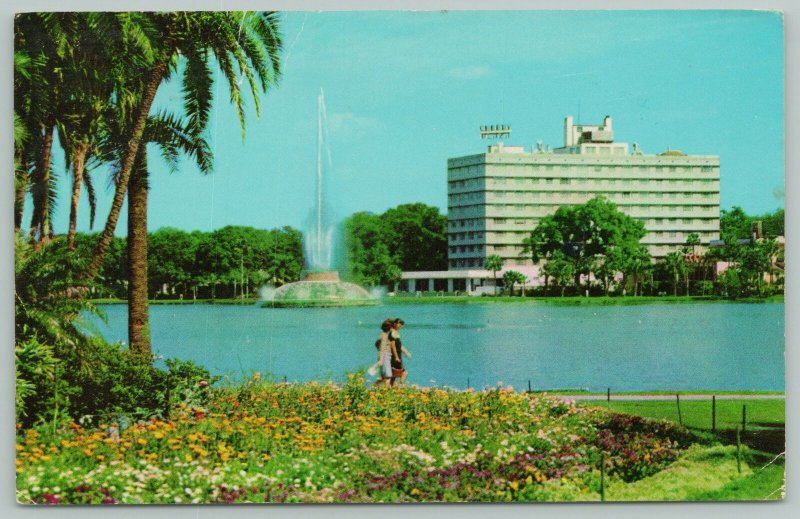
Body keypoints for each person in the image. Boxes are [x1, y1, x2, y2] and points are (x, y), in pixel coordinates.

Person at [374, 319, 399, 386]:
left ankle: (376, 386)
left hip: (385, 355)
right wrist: (381, 358)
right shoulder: (385, 335)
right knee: (388, 376)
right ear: (390, 327)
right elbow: (381, 347)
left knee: (385, 376)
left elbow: (376, 344)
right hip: (385, 356)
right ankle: (378, 388)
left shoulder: (383, 334)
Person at [389, 318, 407, 386]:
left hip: (396, 356)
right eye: (399, 323)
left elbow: (398, 345)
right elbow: (392, 345)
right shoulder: (393, 332)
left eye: (401, 324)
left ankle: (391, 387)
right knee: (404, 373)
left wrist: (405, 352)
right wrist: (396, 357)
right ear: (395, 324)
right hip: (395, 356)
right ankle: (399, 387)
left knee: (394, 374)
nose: (400, 325)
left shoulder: (395, 332)